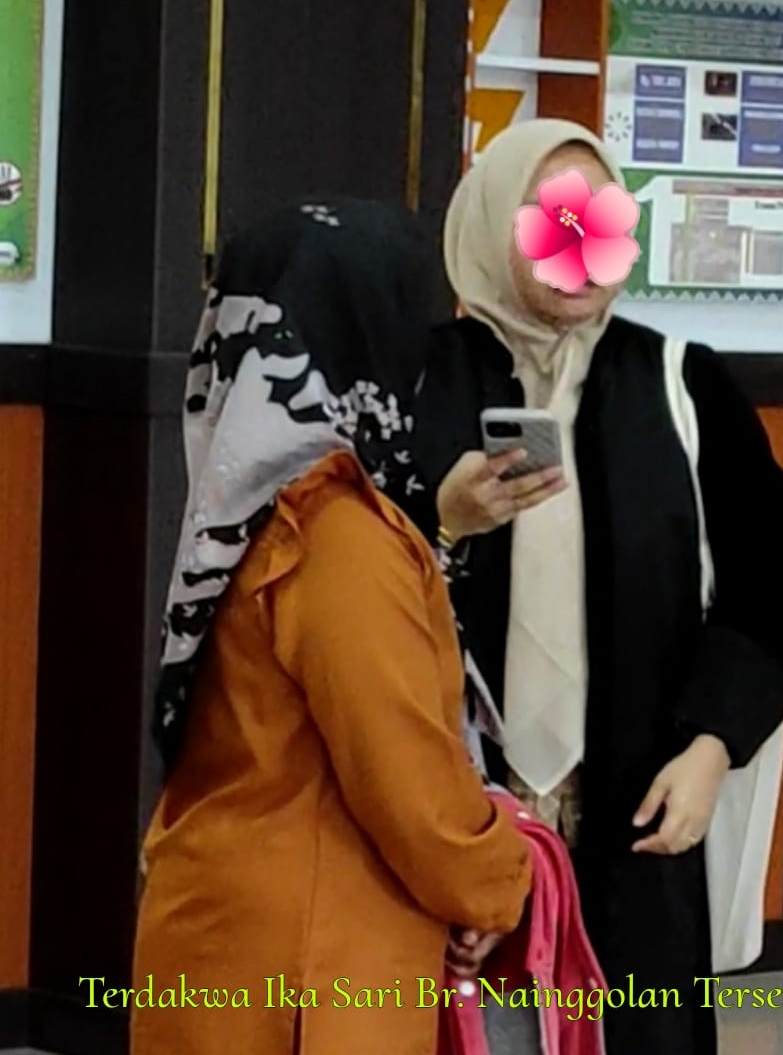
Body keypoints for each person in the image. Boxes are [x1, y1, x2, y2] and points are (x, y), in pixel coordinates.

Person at [406, 118, 783, 1054]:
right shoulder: (418, 379)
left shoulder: (681, 384)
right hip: (458, 813)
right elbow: (360, 577)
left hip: (637, 808)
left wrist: (714, 743)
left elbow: (775, 582)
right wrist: (447, 520)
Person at [133, 200, 531, 1055]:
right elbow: (405, 779)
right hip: (314, 970)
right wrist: (499, 879)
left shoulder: (240, 501)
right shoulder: (338, 533)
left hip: (219, 931)